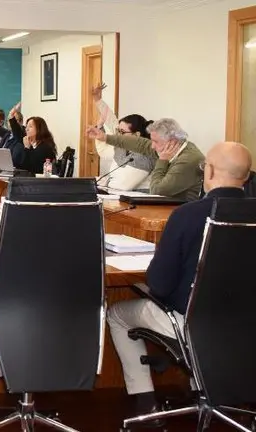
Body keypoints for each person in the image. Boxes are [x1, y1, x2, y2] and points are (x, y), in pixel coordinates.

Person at [107, 141, 252, 422]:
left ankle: (145, 402)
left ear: (208, 171)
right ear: (245, 177)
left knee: (117, 314)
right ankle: (207, 390)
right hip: (247, 326)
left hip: (190, 323)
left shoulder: (188, 215)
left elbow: (159, 285)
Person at [86, 118, 204, 201]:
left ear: (172, 141)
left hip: (179, 212)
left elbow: (157, 190)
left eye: (155, 142)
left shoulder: (188, 159)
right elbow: (139, 143)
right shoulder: (169, 147)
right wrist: (105, 137)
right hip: (166, 207)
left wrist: (162, 161)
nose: (152, 146)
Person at [91, 84, 156, 191]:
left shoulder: (144, 155)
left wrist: (105, 181)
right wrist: (97, 98)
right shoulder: (123, 146)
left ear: (137, 135)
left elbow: (123, 185)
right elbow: (111, 120)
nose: (117, 135)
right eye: (117, 131)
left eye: (121, 132)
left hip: (144, 202)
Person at [6, 102, 57, 174]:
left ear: (39, 129)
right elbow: (18, 133)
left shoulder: (45, 147)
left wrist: (27, 148)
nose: (26, 129)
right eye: (26, 126)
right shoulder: (30, 141)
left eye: (30, 127)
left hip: (37, 181)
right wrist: (12, 115)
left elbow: (31, 167)